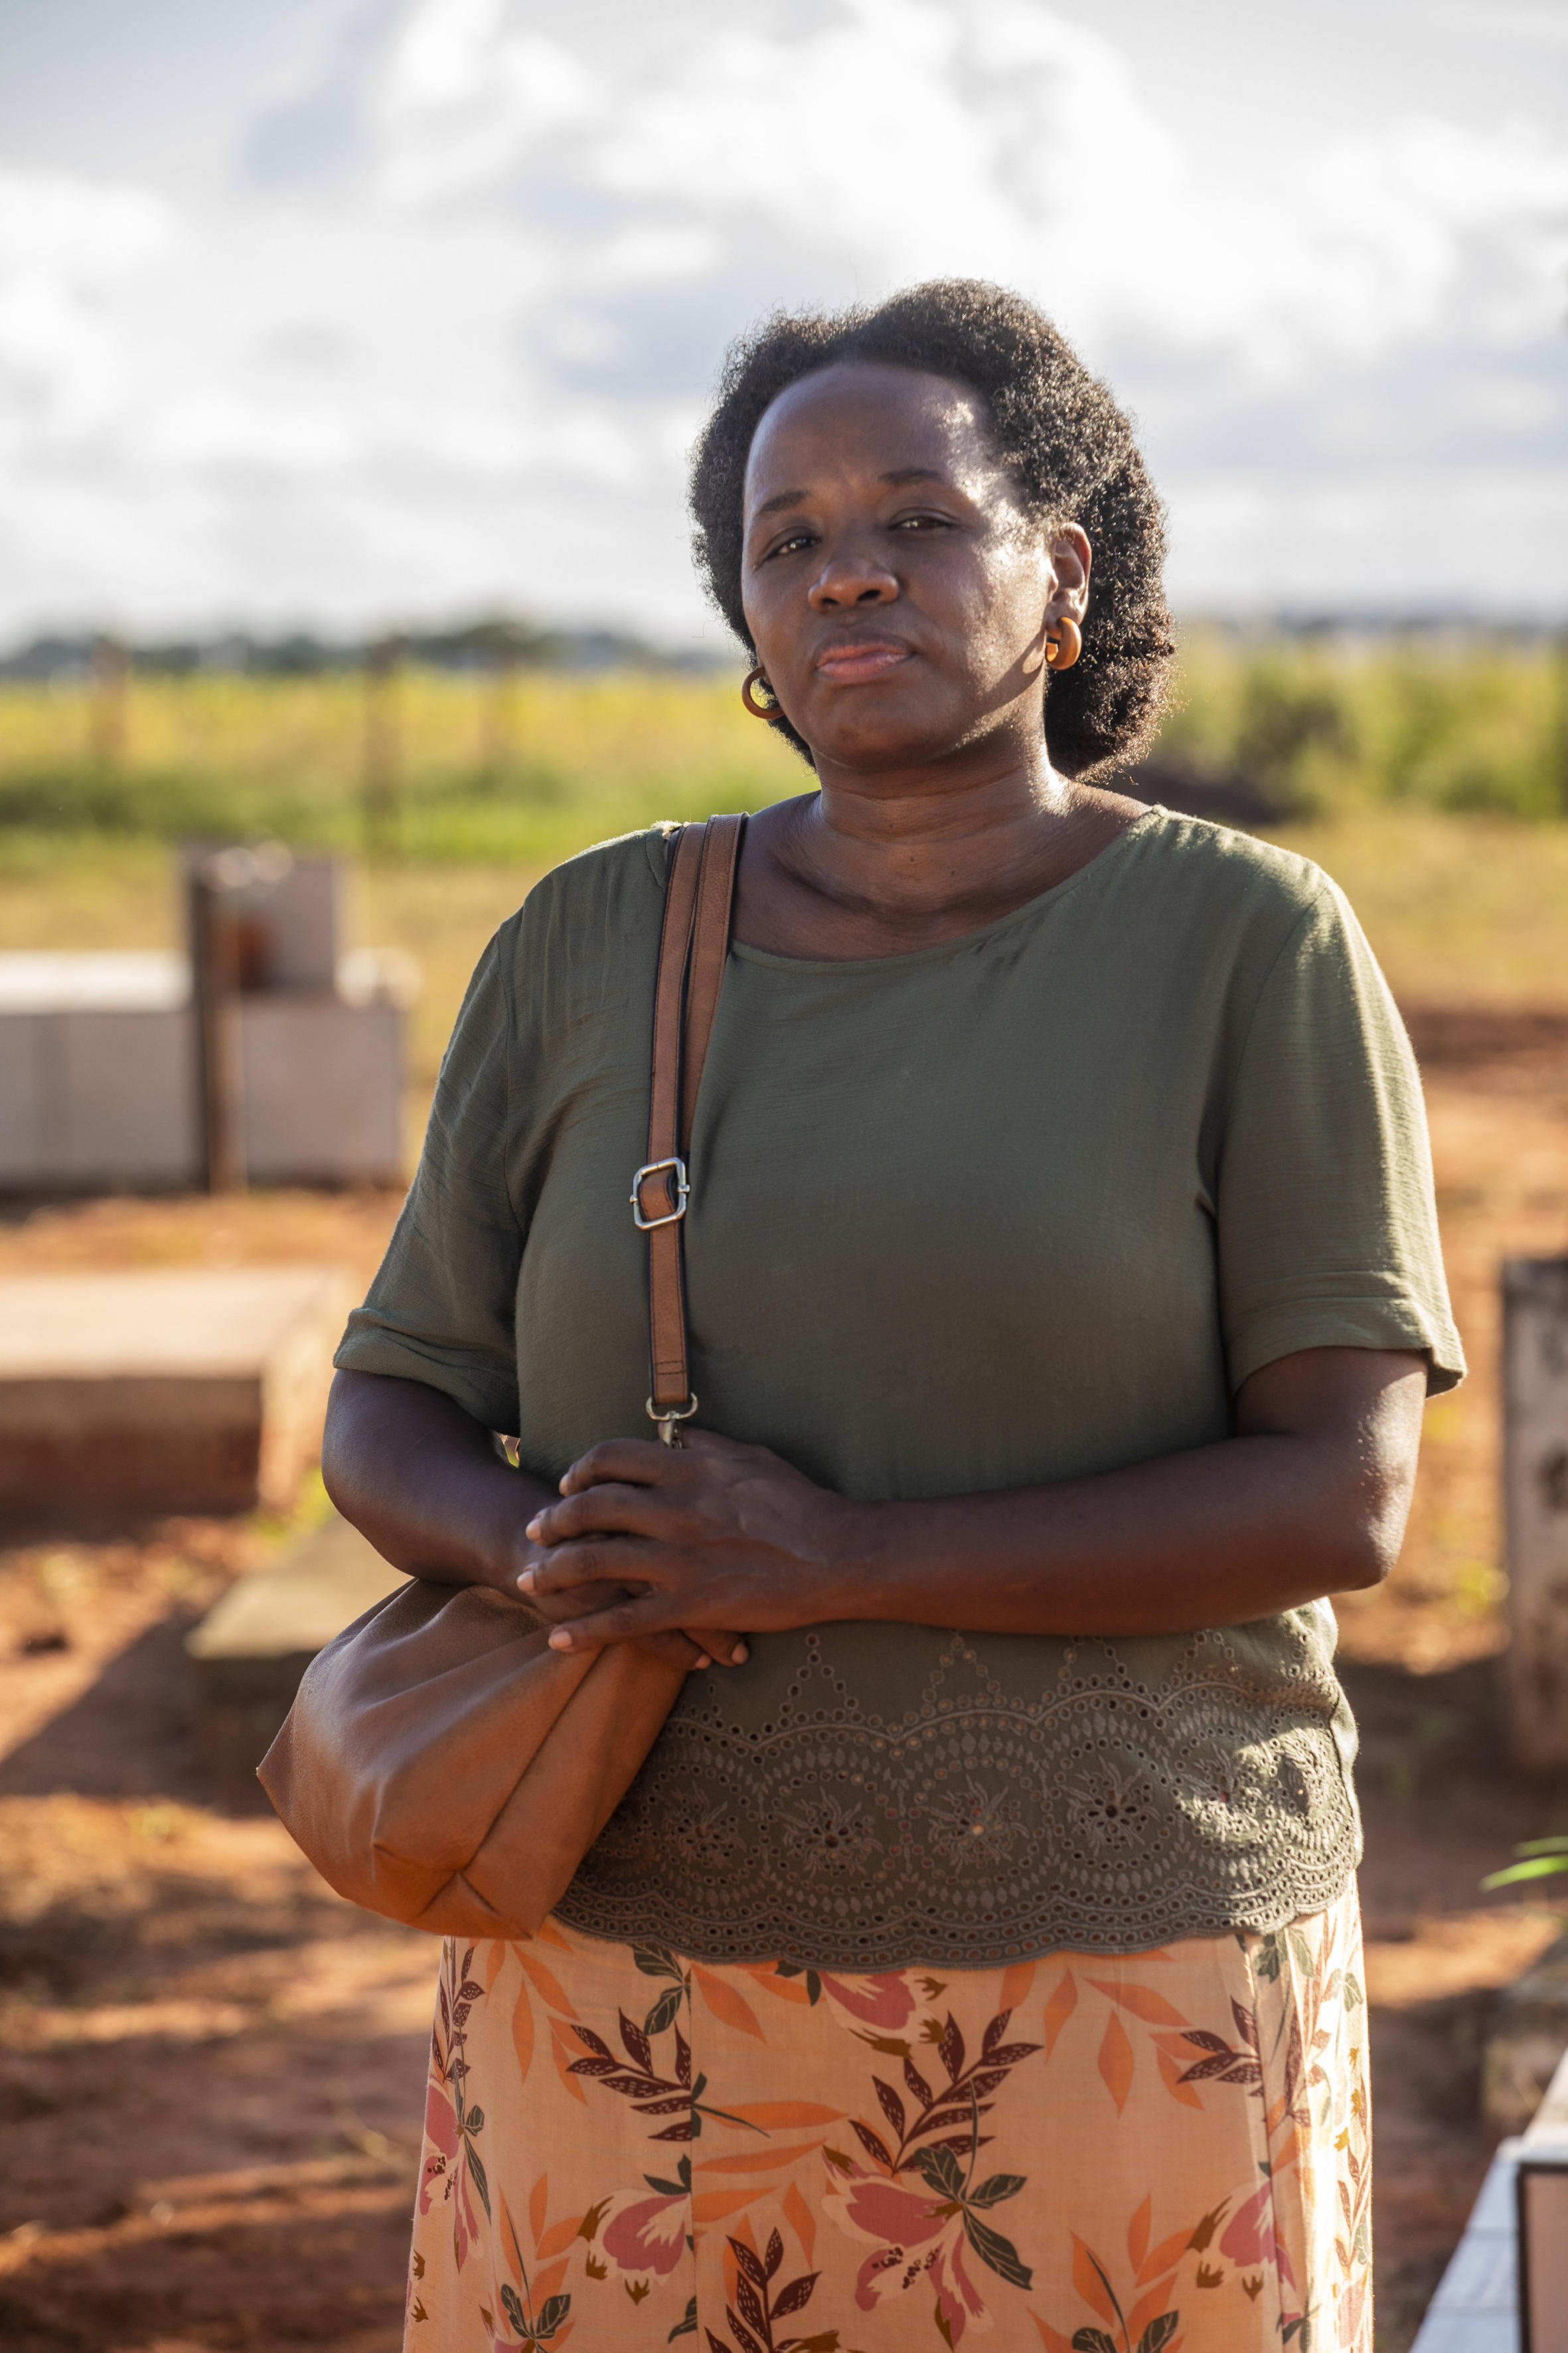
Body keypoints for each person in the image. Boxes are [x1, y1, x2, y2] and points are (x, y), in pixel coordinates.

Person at [325, 280, 1462, 2353]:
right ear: (748, 623)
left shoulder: (1242, 942)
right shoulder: (589, 939)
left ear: (1063, 574)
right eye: (784, 537)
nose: (845, 561)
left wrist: (847, 1560)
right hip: (616, 1968)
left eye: (918, 518)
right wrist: (555, 1558)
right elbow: (392, 1398)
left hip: (1125, 1985)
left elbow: (1342, 1495)